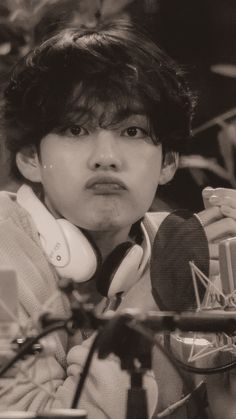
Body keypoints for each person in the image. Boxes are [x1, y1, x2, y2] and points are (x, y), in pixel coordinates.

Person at [0, 19, 236, 419]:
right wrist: (147, 300)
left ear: (168, 163)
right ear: (30, 159)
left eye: (131, 130)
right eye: (76, 128)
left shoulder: (192, 251)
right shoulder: (5, 263)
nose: (105, 156)